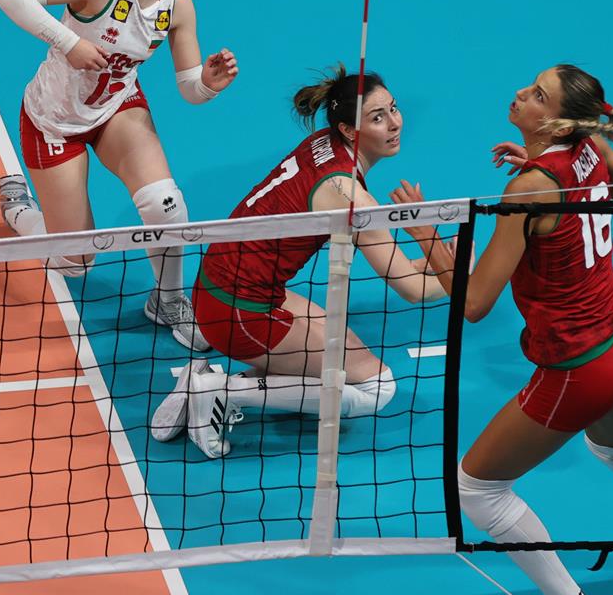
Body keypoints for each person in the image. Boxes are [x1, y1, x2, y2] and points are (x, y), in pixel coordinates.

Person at [392, 64, 613, 595]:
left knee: (477, 489)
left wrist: (426, 236)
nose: (521, 93)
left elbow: (474, 303)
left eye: (538, 95)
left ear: (557, 122)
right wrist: (543, 166)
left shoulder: (528, 189)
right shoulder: (587, 150)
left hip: (581, 366)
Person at [151, 64, 451, 459]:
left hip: (217, 287)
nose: (395, 123)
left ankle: (201, 379)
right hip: (240, 313)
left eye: (393, 109)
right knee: (375, 388)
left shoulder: (322, 143)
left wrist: (436, 260)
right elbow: (413, 290)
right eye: (378, 117)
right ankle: (222, 391)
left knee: (326, 351)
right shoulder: (349, 196)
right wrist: (457, 275)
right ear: (349, 130)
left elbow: (400, 266)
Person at [0, 0, 238, 351]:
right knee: (76, 262)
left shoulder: (178, 3)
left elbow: (190, 89)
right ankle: (22, 213)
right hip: (54, 121)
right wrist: (69, 42)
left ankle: (168, 300)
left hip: (117, 107)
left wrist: (209, 83)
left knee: (165, 204)